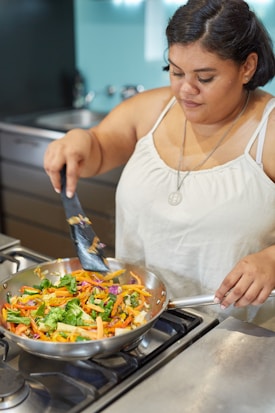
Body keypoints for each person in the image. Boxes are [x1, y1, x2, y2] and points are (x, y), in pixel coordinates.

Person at [44, 0, 275, 327]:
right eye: (176, 72)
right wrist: (80, 140)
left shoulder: (269, 130)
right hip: (137, 323)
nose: (185, 90)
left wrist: (272, 260)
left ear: (247, 67)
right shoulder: (151, 109)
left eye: (205, 77)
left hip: (235, 337)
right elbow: (97, 146)